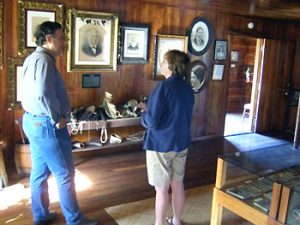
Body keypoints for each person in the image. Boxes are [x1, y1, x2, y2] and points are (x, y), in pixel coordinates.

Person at [21, 21, 99, 225]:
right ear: (48, 39)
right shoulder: (44, 61)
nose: (64, 42)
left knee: (39, 172)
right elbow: (42, 93)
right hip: (47, 125)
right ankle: (75, 220)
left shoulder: (32, 58)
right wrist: (57, 118)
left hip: (32, 121)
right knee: (64, 174)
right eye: (61, 37)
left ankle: (41, 216)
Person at [138, 50, 195, 225]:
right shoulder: (188, 88)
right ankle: (176, 221)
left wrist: (144, 112)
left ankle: (159, 223)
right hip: (181, 143)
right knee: (177, 183)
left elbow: (152, 122)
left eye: (163, 61)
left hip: (161, 145)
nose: (161, 64)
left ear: (171, 65)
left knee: (161, 189)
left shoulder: (163, 87)